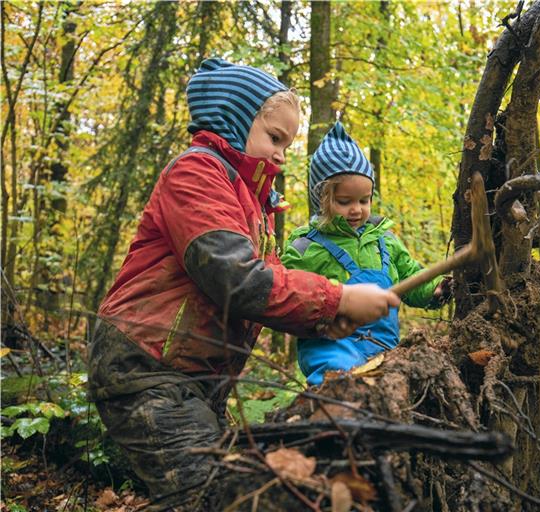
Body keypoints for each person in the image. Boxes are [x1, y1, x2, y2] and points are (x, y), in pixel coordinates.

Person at [87, 59, 399, 509]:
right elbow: (237, 280)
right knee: (211, 498)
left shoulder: (253, 204)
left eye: (287, 144)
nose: (281, 154)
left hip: (197, 377)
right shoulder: (197, 174)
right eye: (274, 137)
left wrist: (328, 322)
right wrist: (339, 298)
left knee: (229, 485)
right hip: (147, 366)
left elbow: (273, 288)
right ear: (233, 120)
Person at [282, 122, 451, 386]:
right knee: (342, 382)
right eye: (344, 202)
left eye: (364, 200)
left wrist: (435, 289)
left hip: (384, 346)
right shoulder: (305, 248)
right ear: (322, 200)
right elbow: (289, 297)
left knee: (395, 388)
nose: (357, 210)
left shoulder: (385, 240)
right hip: (332, 346)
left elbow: (410, 275)